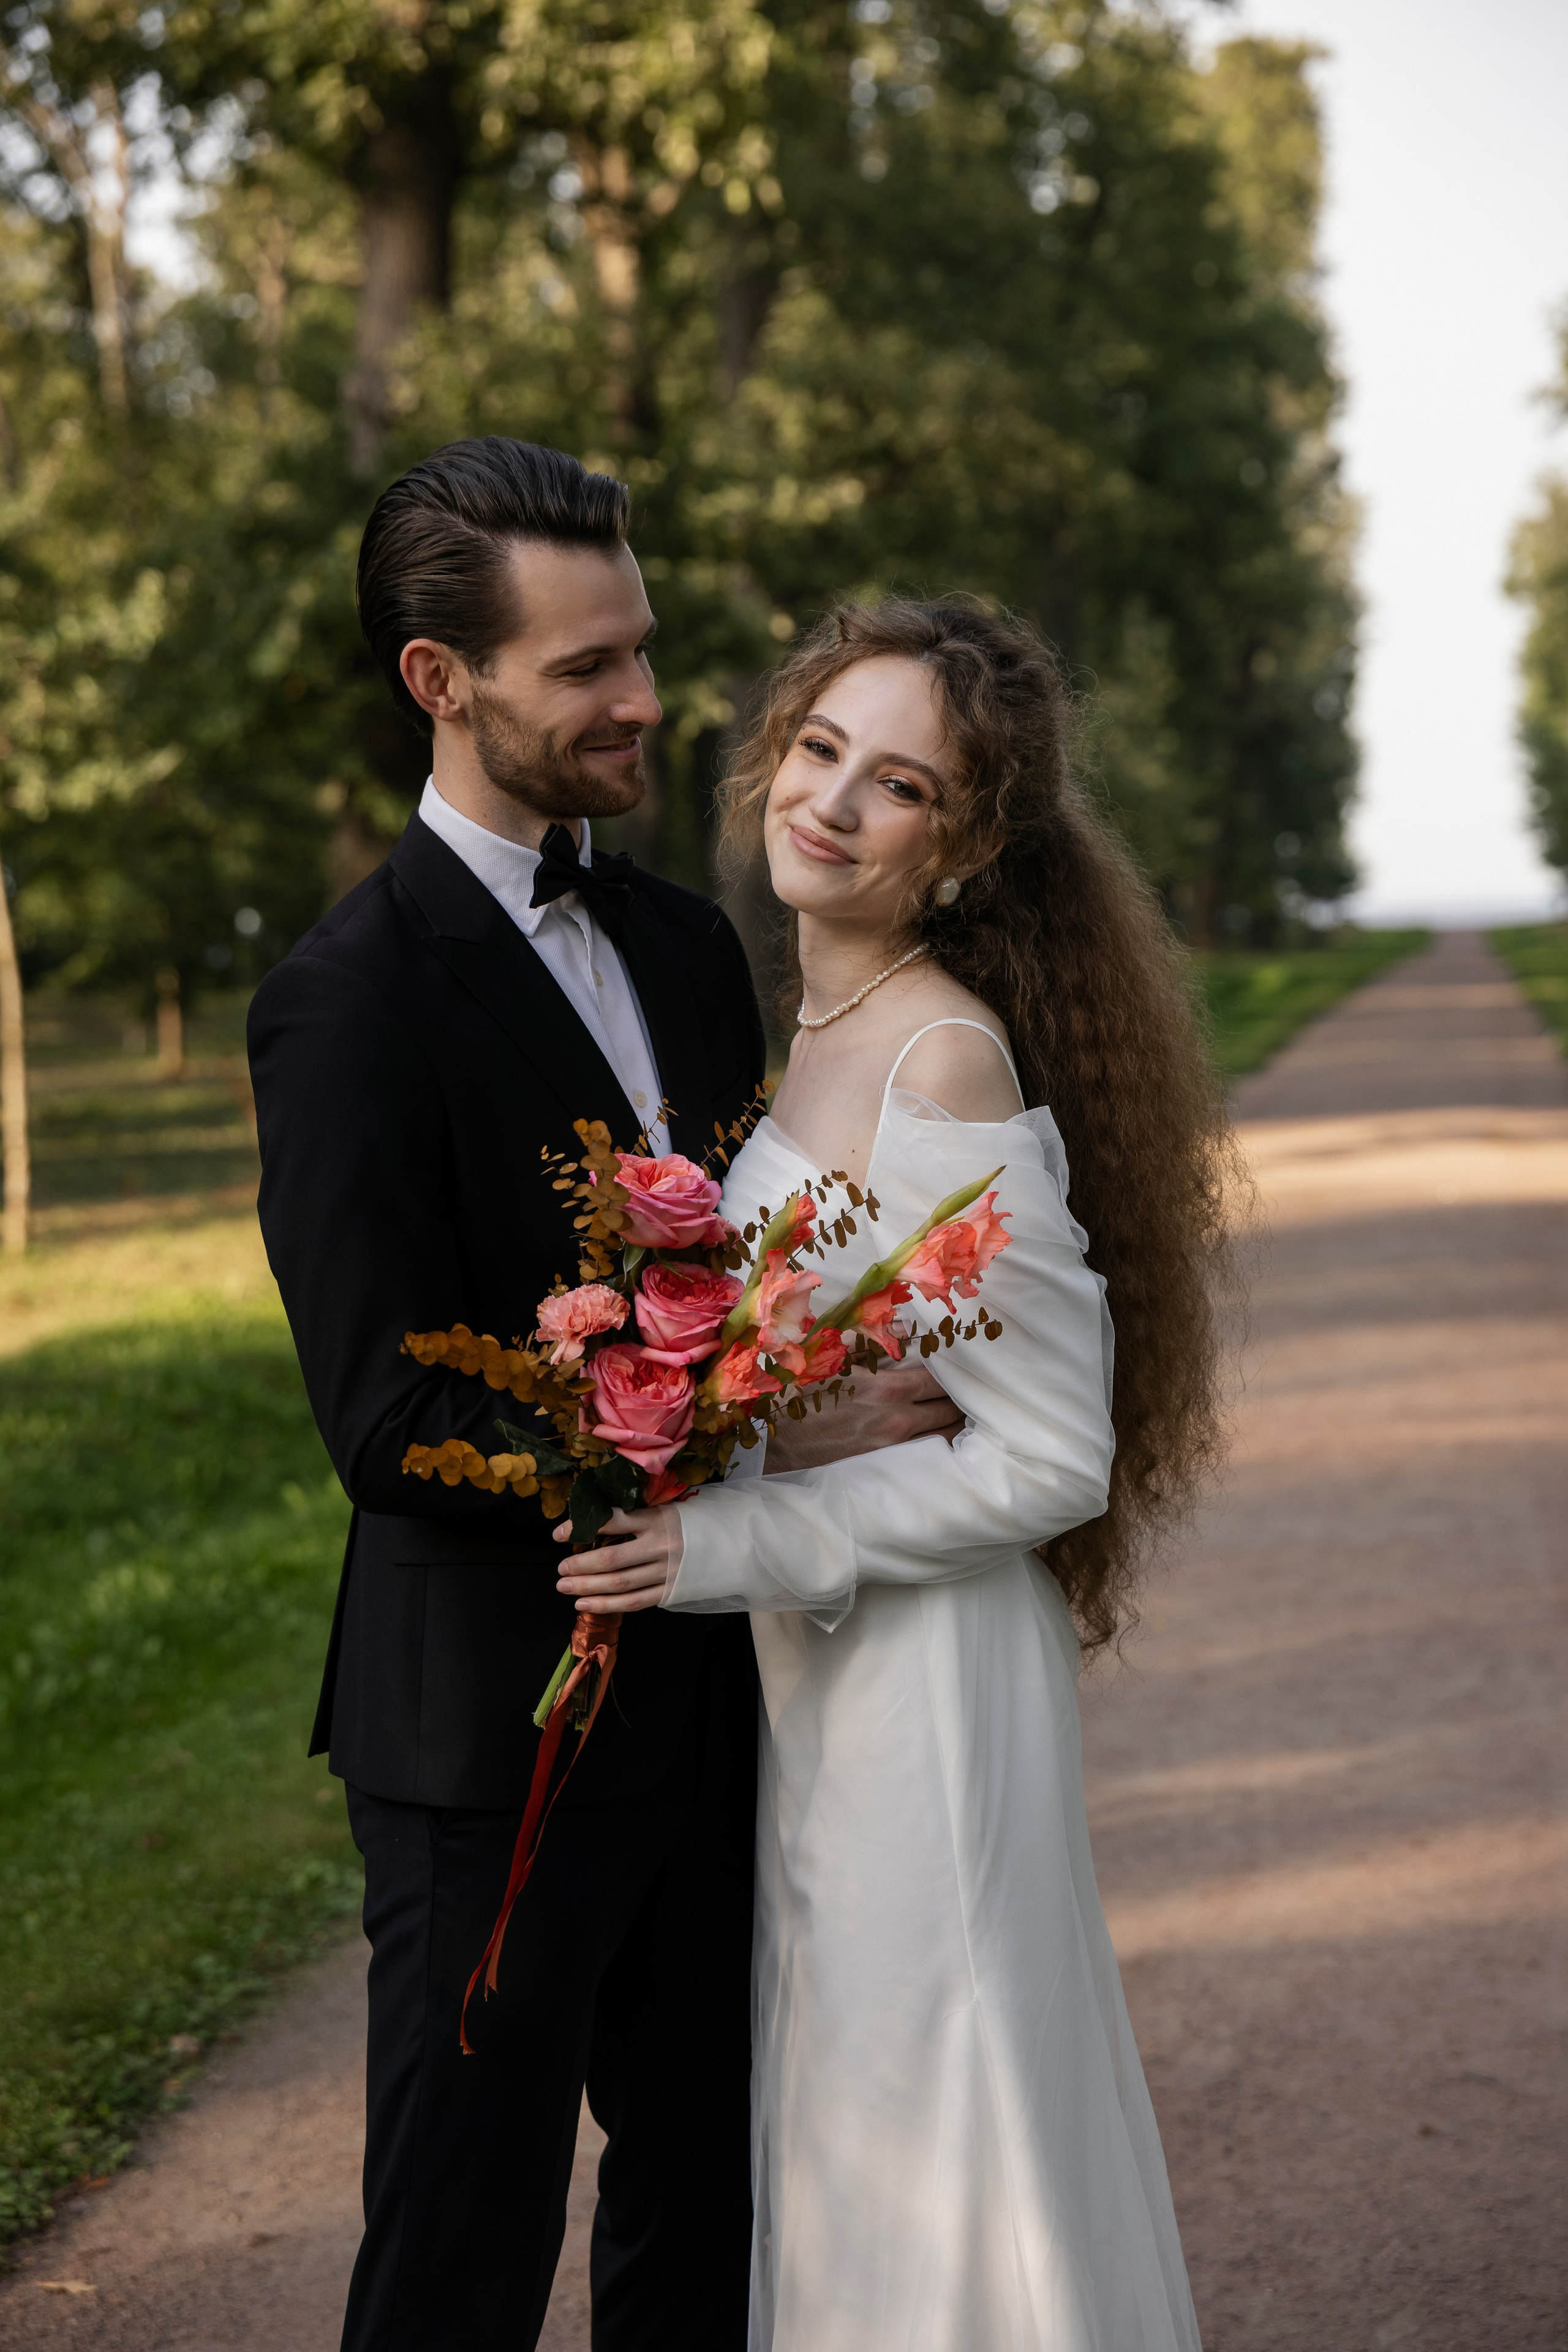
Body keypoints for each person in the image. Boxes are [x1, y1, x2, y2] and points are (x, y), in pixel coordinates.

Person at [246, 443, 958, 2352]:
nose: (643, 697)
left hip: (722, 1704)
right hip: (492, 1734)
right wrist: (738, 1430)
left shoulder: (686, 942)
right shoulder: (346, 1001)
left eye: (638, 647)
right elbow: (387, 1422)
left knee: (709, 2219)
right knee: (460, 2258)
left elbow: (755, 1266)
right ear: (440, 680)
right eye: (585, 668)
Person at [559, 597, 1232, 2350]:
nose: (836, 803)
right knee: (856, 2123)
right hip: (830, 1673)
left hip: (929, 1688)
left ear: (970, 846)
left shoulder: (941, 1060)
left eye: (903, 785)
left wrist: (723, 1544)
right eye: (822, 748)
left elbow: (1055, 1454)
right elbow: (828, 1355)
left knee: (940, 2116)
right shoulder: (815, 1021)